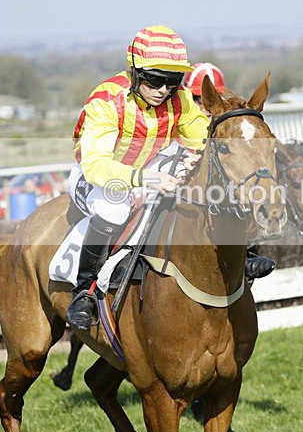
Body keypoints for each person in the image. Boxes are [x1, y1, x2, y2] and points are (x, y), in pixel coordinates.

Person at [66, 26, 211, 330]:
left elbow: (202, 139)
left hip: (145, 169)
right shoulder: (106, 100)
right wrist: (148, 179)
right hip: (93, 176)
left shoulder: (180, 100)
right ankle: (84, 291)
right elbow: (96, 166)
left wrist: (192, 162)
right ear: (134, 72)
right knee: (114, 207)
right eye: (155, 80)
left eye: (172, 81)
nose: (163, 90)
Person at [183, 62, 276, 280]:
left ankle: (246, 253)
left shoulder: (225, 123)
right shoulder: (179, 117)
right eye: (200, 99)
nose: (207, 106)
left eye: (216, 98)